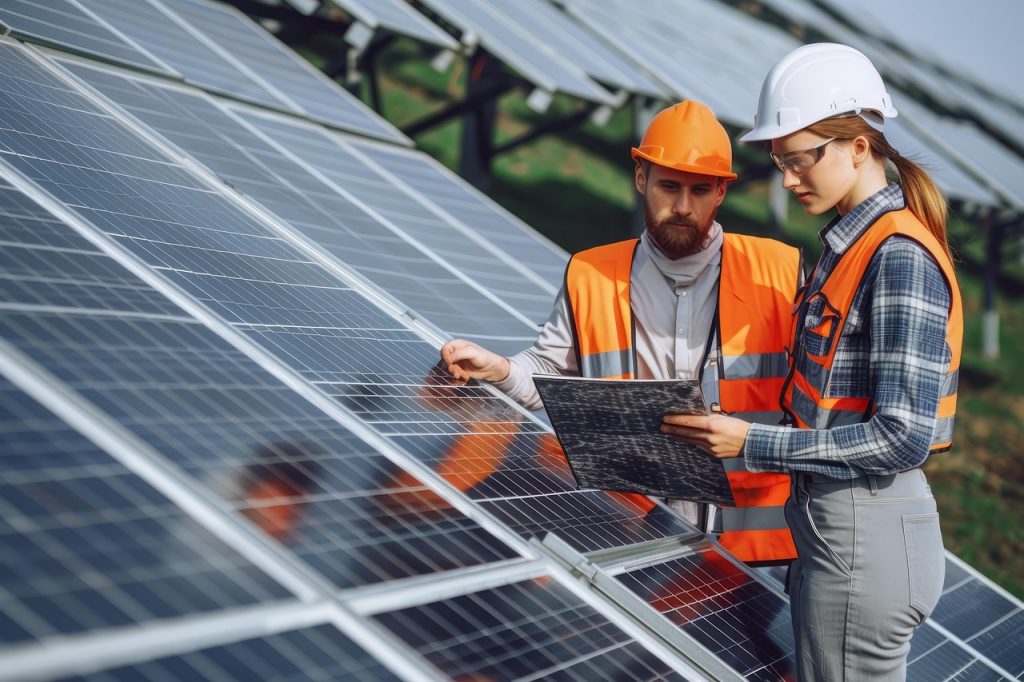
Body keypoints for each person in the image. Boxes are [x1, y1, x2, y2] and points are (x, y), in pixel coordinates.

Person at [663, 44, 962, 679]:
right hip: (837, 526)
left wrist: (753, 443)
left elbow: (902, 437)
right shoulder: (848, 245)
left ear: (859, 145)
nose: (790, 179)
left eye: (801, 160)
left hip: (866, 530)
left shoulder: (899, 256)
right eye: (780, 163)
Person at [441, 100, 803, 566]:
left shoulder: (780, 273)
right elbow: (550, 372)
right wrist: (502, 370)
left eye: (700, 190)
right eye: (669, 187)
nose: (683, 207)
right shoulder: (591, 273)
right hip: (627, 537)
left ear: (721, 194)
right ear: (640, 179)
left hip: (754, 554)